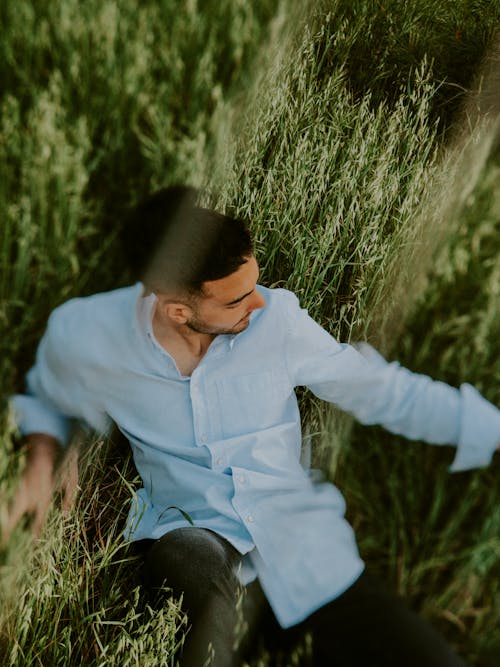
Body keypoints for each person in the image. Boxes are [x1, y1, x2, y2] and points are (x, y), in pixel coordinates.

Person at [6, 185, 500, 666]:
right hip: (194, 536)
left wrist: (489, 427)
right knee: (195, 578)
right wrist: (43, 457)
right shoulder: (91, 332)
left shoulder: (277, 321)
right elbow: (49, 392)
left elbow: (383, 391)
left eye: (254, 285)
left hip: (306, 553)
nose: (257, 302)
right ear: (179, 310)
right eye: (236, 300)